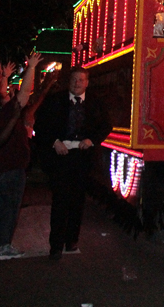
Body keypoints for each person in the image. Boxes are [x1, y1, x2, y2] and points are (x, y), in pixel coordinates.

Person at [34, 67, 111, 260]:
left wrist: (91, 140)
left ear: (87, 82)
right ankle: (56, 246)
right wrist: (54, 142)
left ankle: (71, 240)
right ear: (69, 81)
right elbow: (39, 125)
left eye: (81, 80)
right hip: (61, 156)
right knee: (60, 200)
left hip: (83, 157)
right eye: (74, 79)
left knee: (78, 200)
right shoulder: (56, 100)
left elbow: (106, 126)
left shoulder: (95, 102)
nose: (77, 83)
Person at [0, 51, 42, 261]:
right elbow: (25, 92)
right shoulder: (7, 112)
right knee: (9, 208)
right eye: (5, 93)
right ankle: (5, 246)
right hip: (11, 170)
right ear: (3, 102)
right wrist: (32, 67)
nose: (7, 92)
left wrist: (4, 75)